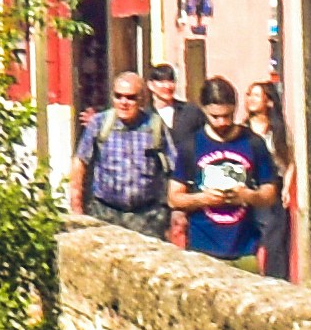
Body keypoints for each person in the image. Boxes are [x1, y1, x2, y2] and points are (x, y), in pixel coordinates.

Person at [177, 78, 281, 264]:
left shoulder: (253, 143)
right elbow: (174, 196)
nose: (222, 122)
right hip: (202, 249)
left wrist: (248, 196)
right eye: (215, 117)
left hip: (245, 249)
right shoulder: (191, 145)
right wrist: (202, 198)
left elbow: (270, 193)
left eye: (228, 115)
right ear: (204, 110)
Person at [76, 68, 181, 236]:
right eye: (118, 96)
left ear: (141, 99)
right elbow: (80, 162)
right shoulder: (99, 123)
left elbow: (174, 168)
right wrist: (76, 205)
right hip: (105, 213)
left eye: (130, 97)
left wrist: (176, 210)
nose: (124, 102)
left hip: (147, 217)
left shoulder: (155, 125)